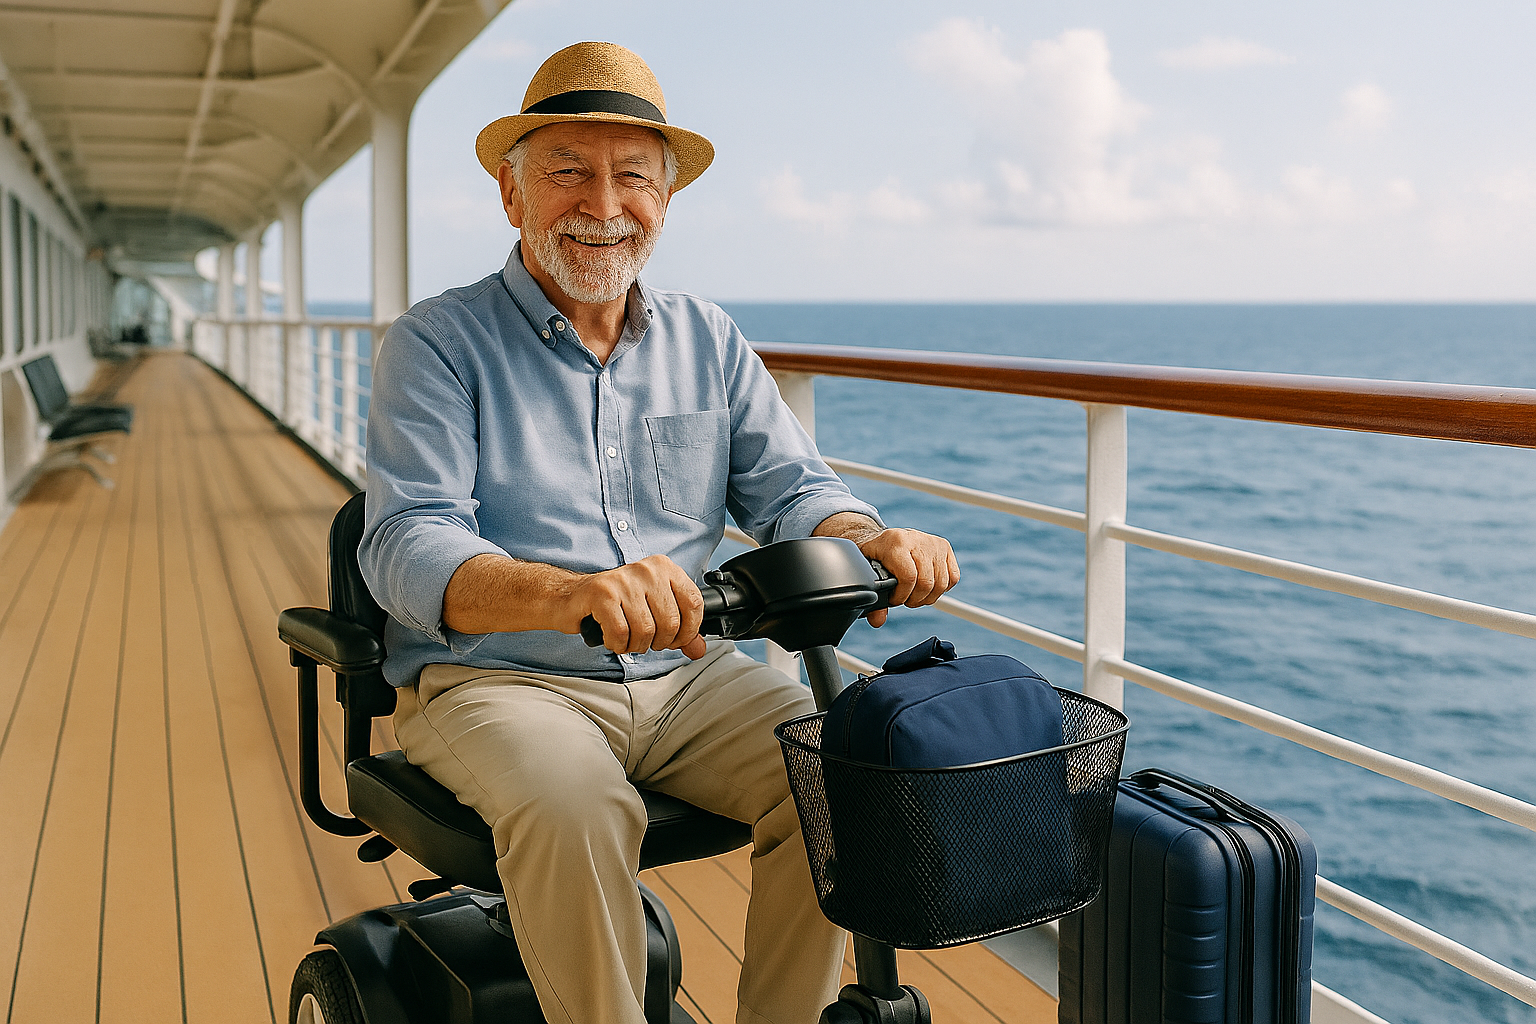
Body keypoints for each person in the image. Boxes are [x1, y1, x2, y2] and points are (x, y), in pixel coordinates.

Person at [360, 41, 959, 1024]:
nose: (603, 203)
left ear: (665, 200)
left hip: (688, 675)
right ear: (513, 197)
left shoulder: (707, 339)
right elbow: (405, 543)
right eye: (567, 172)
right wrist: (567, 592)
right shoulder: (436, 343)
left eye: (632, 175)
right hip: (496, 677)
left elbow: (791, 487)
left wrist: (869, 538)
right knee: (578, 806)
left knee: (840, 775)